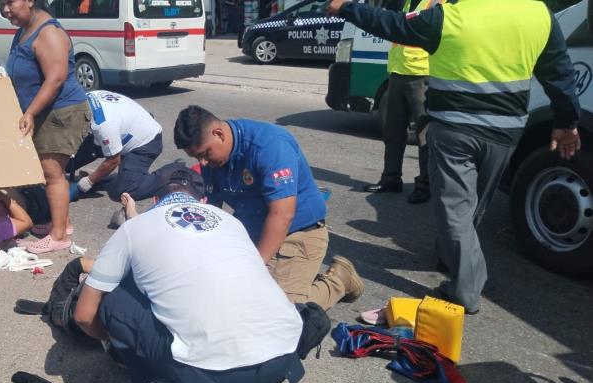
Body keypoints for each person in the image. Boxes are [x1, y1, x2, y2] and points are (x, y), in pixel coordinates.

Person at [328, 0, 581, 314]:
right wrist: (566, 122)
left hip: (454, 129)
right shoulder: (538, 14)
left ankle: (464, 291)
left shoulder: (449, 16)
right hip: (505, 131)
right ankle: (452, 256)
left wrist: (347, 8)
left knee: (456, 210)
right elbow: (559, 72)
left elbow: (392, 24)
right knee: (472, 206)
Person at [73, 165, 306, 383]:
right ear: (203, 200)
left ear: (155, 198)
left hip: (211, 374)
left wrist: (119, 344)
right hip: (285, 356)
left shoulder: (133, 229)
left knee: (113, 299)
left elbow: (83, 315)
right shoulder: (232, 222)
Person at [174, 105, 364, 310]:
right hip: (252, 231)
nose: (202, 162)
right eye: (196, 158)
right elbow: (212, 210)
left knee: (279, 311)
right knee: (225, 295)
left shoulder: (269, 146)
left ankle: (339, 281)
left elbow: (282, 214)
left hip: (298, 233)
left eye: (205, 154)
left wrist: (255, 266)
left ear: (218, 133)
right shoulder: (213, 159)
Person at [3, 0, 91, 254]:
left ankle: (59, 235)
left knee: (52, 174)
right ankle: (62, 223)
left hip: (60, 112)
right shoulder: (24, 30)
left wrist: (30, 112)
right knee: (44, 172)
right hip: (43, 112)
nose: (6, 9)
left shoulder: (48, 32)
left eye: (10, 2)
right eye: (1, 4)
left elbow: (56, 78)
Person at [362, 0, 436, 204]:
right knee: (393, 131)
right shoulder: (408, 3)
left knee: (424, 135)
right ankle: (390, 179)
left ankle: (425, 185)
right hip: (397, 71)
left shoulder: (435, 2)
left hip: (422, 73)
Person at [67, 90, 165, 216]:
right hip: (122, 131)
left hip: (146, 142)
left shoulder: (103, 125)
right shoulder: (84, 99)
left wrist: (87, 183)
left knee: (126, 189)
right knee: (68, 164)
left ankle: (171, 174)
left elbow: (113, 160)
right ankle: (107, 177)